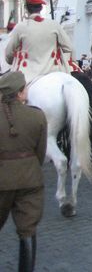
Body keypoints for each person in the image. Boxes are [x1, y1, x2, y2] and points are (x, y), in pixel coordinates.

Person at [0, 71, 47, 272]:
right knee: (27, 230)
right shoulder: (37, 115)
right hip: (30, 179)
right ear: (20, 93)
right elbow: (41, 152)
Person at [4, 0, 76, 84]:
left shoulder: (20, 27)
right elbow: (68, 47)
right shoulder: (54, 24)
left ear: (27, 9)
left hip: (27, 76)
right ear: (41, 8)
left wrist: (12, 60)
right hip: (53, 72)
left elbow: (8, 54)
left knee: (11, 94)